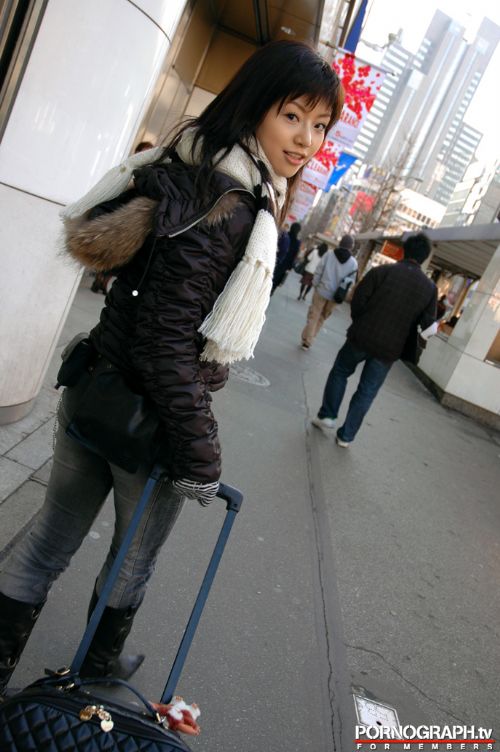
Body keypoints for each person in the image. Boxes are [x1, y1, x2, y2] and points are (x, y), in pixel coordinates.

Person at [0, 40, 344, 694]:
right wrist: (200, 454)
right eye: (293, 116)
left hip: (92, 389)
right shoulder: (232, 206)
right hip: (149, 425)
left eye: (320, 125)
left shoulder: (179, 165)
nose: (307, 140)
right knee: (130, 563)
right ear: (255, 107)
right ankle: (92, 682)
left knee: (48, 540)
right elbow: (165, 342)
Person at [312, 232, 437, 446]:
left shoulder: (381, 272)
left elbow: (358, 300)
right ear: (425, 258)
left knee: (341, 371)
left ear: (404, 251)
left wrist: (361, 321)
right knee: (367, 391)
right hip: (390, 349)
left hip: (361, 336)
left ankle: (328, 415)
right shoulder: (430, 289)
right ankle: (346, 436)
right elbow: (428, 325)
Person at [300, 234, 357, 349]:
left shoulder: (329, 254)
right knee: (322, 317)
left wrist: (316, 284)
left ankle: (307, 339)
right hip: (336, 296)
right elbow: (351, 282)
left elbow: (319, 269)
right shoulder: (353, 263)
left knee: (314, 315)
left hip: (322, 290)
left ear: (340, 243)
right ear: (351, 247)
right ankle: (309, 339)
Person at [271, 221, 301, 292]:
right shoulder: (297, 243)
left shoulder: (284, 235)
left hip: (276, 259)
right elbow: (294, 256)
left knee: (271, 276)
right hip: (285, 265)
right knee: (276, 282)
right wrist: (290, 267)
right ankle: (270, 292)